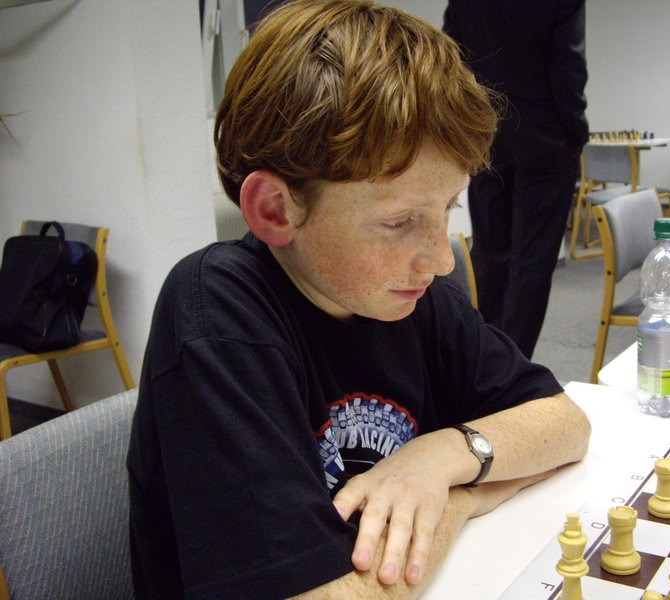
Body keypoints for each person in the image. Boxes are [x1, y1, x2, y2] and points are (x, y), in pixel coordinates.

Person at [126, 1, 592, 598]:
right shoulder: (217, 313)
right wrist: (462, 498)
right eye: (399, 222)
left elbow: (565, 423)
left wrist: (441, 456)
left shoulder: (409, 297)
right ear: (275, 210)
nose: (443, 260)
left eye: (448, 209)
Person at [442, 0, 589, 360]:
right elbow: (567, 67)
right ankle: (510, 365)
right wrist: (576, 132)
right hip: (546, 140)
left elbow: (451, 58)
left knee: (489, 252)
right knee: (533, 259)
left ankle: (482, 357)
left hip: (486, 134)